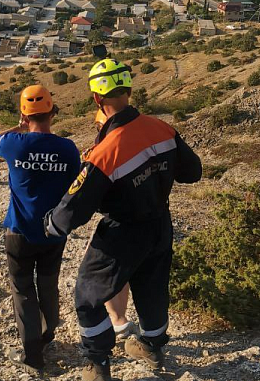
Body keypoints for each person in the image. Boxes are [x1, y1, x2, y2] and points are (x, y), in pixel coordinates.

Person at [44, 59, 202, 381]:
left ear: (96, 100)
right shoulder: (162, 128)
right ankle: (152, 347)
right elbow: (193, 172)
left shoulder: (105, 152)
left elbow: (72, 211)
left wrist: (51, 224)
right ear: (129, 90)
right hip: (160, 225)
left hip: (121, 234)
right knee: (153, 290)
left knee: (87, 296)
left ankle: (98, 363)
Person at [0, 85, 81, 373]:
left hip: (19, 230)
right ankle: (48, 333)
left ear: (24, 116)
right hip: (54, 231)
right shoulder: (67, 148)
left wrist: (19, 126)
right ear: (53, 113)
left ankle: (32, 355)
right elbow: (75, 183)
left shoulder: (13, 143)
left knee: (23, 288)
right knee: (49, 282)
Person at [85, 110, 138, 342]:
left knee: (105, 269)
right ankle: (121, 320)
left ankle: (116, 322)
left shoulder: (108, 149)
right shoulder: (135, 139)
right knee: (123, 270)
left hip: (119, 221)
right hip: (144, 219)